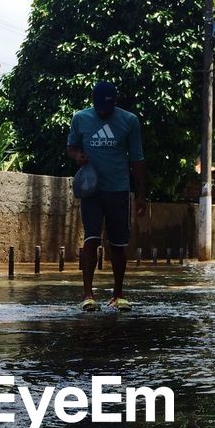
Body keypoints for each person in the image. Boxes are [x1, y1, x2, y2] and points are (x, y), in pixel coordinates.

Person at [67, 80, 147, 311]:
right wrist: (78, 156)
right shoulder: (80, 118)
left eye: (107, 107)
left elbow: (137, 159)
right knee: (91, 240)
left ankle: (118, 294)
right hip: (91, 190)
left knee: (118, 244)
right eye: (99, 106)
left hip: (119, 190)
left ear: (114, 103)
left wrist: (141, 195)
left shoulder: (129, 121)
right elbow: (71, 147)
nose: (102, 110)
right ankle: (88, 295)